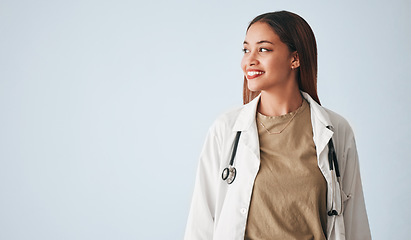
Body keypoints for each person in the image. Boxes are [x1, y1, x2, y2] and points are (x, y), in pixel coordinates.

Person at [184, 11, 371, 240]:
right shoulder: (226, 129)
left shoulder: (336, 131)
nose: (249, 60)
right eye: (246, 50)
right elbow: (201, 223)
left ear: (295, 58)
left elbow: (355, 223)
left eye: (263, 49)